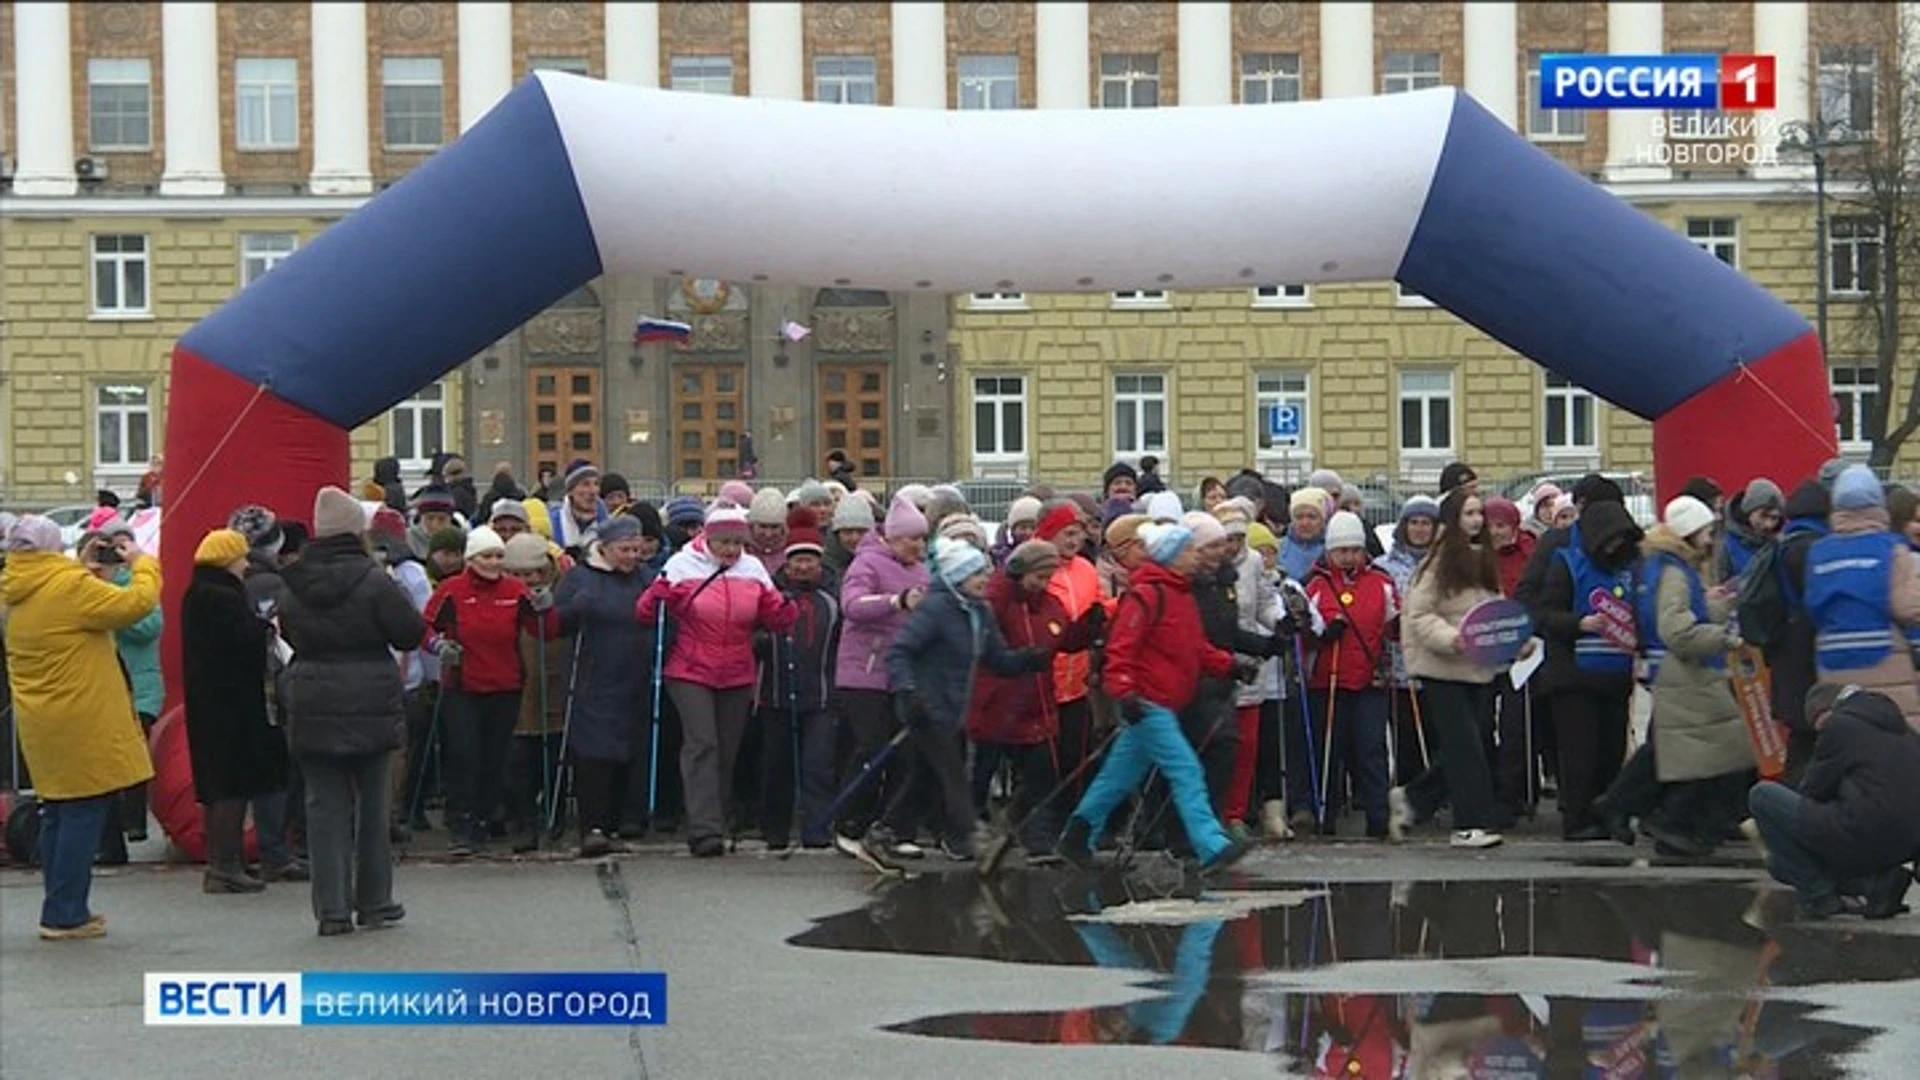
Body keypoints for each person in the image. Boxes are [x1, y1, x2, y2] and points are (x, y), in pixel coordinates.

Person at [1056, 522, 1256, 875]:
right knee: (1185, 768)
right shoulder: (1147, 595)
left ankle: (1077, 834)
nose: (1196, 556)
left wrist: (1230, 665)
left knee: (1118, 776)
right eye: (1189, 550)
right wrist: (1125, 692)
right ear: (1171, 557)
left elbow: (1194, 648)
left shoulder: (1179, 594)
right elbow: (1121, 648)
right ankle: (1211, 844)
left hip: (1160, 701)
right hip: (1148, 702)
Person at [277, 488, 430, 936]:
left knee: (322, 807)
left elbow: (289, 631)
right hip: (369, 697)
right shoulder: (373, 580)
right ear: (355, 531)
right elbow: (408, 632)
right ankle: (375, 901)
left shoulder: (294, 582)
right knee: (373, 804)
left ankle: (332, 910)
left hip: (312, 695)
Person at [2, 516, 159, 940]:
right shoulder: (69, 588)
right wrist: (142, 562)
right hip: (81, 719)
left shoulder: (16, 588)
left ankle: (60, 905)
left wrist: (80, 566)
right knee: (82, 813)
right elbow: (137, 604)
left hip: (42, 722)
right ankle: (66, 913)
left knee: (56, 812)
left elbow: (66, 599)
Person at [868, 542, 1049, 864]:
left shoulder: (980, 611)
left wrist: (1026, 660)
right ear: (958, 576)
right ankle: (975, 838)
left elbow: (996, 659)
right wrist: (908, 691)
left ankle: (883, 832)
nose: (985, 578)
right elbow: (899, 652)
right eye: (976, 572)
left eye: (984, 570)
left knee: (924, 777)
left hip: (954, 709)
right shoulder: (936, 609)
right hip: (925, 706)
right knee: (953, 772)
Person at [637, 503, 796, 857]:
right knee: (702, 743)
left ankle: (717, 817)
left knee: (727, 748)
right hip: (690, 668)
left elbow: (773, 617)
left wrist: (784, 610)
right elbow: (646, 614)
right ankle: (703, 828)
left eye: (738, 543)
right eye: (724, 542)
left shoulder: (752, 569)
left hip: (737, 669)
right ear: (708, 538)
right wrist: (656, 596)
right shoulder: (681, 564)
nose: (731, 550)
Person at [1623, 495, 1751, 858]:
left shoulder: (1665, 565)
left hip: (1672, 669)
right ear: (1690, 533)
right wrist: (1725, 639)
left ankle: (1649, 815)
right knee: (1713, 752)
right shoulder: (1676, 571)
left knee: (1684, 751)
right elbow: (1676, 628)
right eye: (1707, 532)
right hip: (1684, 670)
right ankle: (1675, 824)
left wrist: (1721, 602)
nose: (1712, 540)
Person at [425, 525, 557, 856]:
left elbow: (543, 631)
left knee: (494, 758)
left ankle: (484, 820)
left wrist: (545, 608)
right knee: (463, 755)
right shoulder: (452, 590)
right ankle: (461, 824)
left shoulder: (514, 590)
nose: (493, 562)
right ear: (471, 558)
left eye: (499, 556)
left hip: (505, 684)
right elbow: (423, 626)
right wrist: (438, 645)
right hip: (462, 685)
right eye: (486, 556)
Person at [1391, 488, 1509, 849]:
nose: (1476, 520)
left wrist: (1515, 639)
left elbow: (1494, 609)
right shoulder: (1439, 563)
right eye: (1469, 514)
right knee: (1465, 747)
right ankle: (1468, 824)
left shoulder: (1483, 560)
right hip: (1442, 666)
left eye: (1479, 514)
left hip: (1477, 667)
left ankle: (1412, 798)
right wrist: (1451, 638)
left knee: (1472, 744)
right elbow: (1419, 614)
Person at [966, 540, 1097, 862]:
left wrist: (1089, 627)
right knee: (982, 772)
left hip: (1037, 703)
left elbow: (1063, 639)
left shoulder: (1049, 603)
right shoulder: (996, 600)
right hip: (996, 703)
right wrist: (1016, 658)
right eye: (1038, 576)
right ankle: (967, 831)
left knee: (1041, 774)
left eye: (1047, 577)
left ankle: (1038, 840)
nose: (1042, 584)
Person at [180, 528, 291, 893]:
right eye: (241, 556)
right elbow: (240, 641)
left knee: (218, 787)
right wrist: (265, 629)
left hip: (211, 703)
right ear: (227, 558)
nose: (246, 563)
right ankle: (226, 864)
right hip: (230, 706)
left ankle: (222, 863)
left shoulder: (199, 593)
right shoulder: (220, 597)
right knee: (232, 786)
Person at [1749, 686, 1920, 919]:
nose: (1820, 735)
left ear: (1826, 711)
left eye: (1819, 727)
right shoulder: (1904, 730)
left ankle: (1819, 896)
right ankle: (1875, 885)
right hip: (1907, 844)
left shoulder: (1840, 725)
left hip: (1867, 832)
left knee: (1763, 797)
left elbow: (1813, 790)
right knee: (1784, 862)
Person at [1531, 489, 1644, 840]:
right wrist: (1579, 623)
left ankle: (1608, 814)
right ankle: (1578, 819)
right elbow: (1546, 615)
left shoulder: (1629, 569)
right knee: (1580, 756)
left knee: (1611, 754)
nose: (1614, 548)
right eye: (1609, 542)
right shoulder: (1566, 562)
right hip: (1573, 677)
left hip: (1614, 674)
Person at [830, 495, 931, 854]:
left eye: (922, 539)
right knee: (872, 749)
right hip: (864, 674)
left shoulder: (921, 571)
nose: (917, 546)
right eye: (910, 539)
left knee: (907, 753)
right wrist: (896, 601)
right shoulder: (867, 563)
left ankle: (894, 829)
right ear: (891, 537)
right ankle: (848, 823)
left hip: (903, 676)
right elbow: (853, 606)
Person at [550, 517, 655, 855]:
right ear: (605, 547)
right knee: (595, 752)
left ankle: (616, 822)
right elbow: (557, 622)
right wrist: (574, 609)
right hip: (593, 677)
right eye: (624, 550)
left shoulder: (645, 577)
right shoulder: (581, 577)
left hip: (635, 676)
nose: (631, 556)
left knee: (628, 750)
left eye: (636, 550)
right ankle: (591, 826)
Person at [1304, 511, 1398, 838]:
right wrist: (1323, 633)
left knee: (1372, 749)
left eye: (1354, 550)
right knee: (1331, 748)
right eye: (1341, 551)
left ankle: (1379, 817)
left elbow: (1394, 623)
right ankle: (1325, 814)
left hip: (1369, 678)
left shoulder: (1381, 582)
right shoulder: (1316, 585)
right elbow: (1305, 631)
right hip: (1329, 680)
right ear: (1329, 552)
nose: (1348, 557)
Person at [1804, 465, 1920, 724]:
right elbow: (1908, 609)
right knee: (1895, 740)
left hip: (1831, 661)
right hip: (1884, 658)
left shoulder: (1818, 552)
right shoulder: (1891, 548)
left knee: (1850, 739)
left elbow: (1813, 607)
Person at [754, 523, 841, 851]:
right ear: (786, 564)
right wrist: (761, 642)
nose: (803, 567)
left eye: (810, 560)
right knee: (777, 764)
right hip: (776, 692)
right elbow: (754, 631)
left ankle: (817, 826)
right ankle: (774, 828)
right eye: (797, 561)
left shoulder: (832, 599)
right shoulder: (772, 595)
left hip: (820, 693)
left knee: (818, 764)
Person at [1376, 495, 1440, 787]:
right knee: (1405, 736)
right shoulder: (1384, 567)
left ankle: (1437, 791)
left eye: (1426, 523)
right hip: (1399, 666)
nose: (1420, 529)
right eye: (1414, 522)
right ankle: (1406, 789)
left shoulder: (1446, 563)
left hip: (1438, 663)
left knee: (1437, 732)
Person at [547, 463, 608, 553]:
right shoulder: (553, 522)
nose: (593, 491)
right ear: (570, 491)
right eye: (585, 484)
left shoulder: (607, 524)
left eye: (596, 484)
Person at [1279, 487, 1328, 582]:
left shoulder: (1332, 551)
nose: (1305, 523)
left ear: (1322, 520)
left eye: (1312, 517)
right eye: (1299, 517)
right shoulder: (1278, 549)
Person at [825, 493, 874, 578]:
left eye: (861, 531)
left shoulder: (883, 563)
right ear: (837, 534)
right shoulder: (825, 567)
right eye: (848, 532)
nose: (855, 538)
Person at [748, 489, 791, 576]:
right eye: (763, 526)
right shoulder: (740, 551)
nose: (768, 534)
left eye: (774, 527)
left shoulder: (791, 552)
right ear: (752, 525)